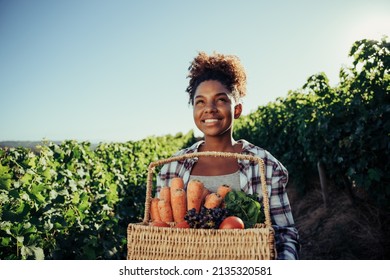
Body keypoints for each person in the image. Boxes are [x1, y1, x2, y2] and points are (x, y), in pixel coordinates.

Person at [156, 51, 300, 260]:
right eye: (200, 102)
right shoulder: (173, 167)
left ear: (238, 109)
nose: (210, 109)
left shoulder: (265, 165)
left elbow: (285, 234)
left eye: (220, 100)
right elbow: (160, 230)